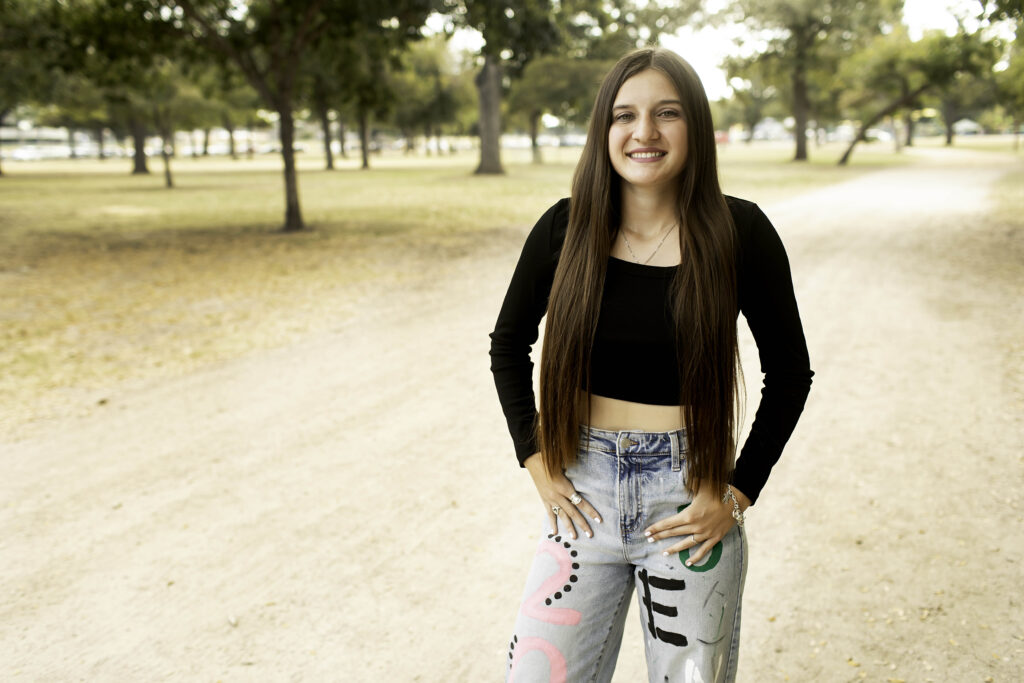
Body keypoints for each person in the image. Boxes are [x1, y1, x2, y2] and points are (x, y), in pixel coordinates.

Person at [488, 47, 813, 682]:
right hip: (584, 495)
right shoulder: (565, 228)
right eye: (625, 115)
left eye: (667, 114)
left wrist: (738, 492)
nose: (644, 133)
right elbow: (507, 345)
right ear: (603, 131)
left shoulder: (739, 232)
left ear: (694, 126)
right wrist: (534, 457)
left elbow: (790, 373)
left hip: (687, 500)